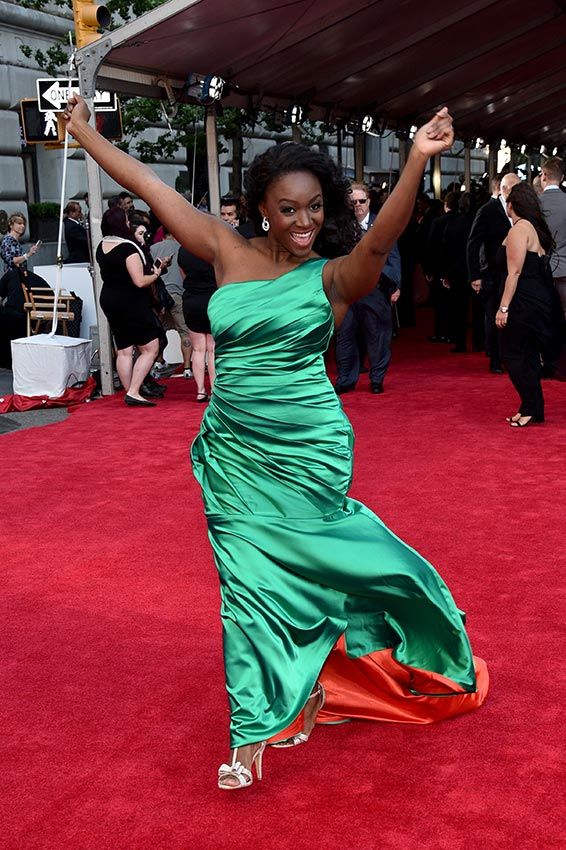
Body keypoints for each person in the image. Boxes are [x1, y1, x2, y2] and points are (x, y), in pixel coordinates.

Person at [64, 97, 488, 791]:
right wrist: (84, 135)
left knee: (319, 568)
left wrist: (414, 161)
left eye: (315, 208)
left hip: (306, 445)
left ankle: (322, 676)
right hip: (234, 445)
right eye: (289, 209)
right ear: (262, 206)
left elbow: (379, 243)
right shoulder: (224, 248)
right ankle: (256, 725)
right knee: (247, 583)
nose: (304, 221)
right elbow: (150, 185)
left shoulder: (331, 276)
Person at [495, 182, 563, 427]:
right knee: (528, 355)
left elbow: (514, 273)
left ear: (512, 205)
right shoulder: (531, 227)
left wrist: (503, 308)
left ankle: (530, 406)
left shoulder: (519, 229)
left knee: (511, 354)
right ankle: (532, 408)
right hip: (536, 300)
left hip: (522, 302)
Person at [95, 205, 165, 407]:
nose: (128, 222)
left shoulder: (102, 245)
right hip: (129, 300)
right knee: (151, 347)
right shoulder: (128, 248)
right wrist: (157, 273)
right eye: (126, 219)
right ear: (120, 223)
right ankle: (134, 391)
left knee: (124, 348)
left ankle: (129, 392)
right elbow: (140, 281)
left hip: (108, 298)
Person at [335, 181, 401, 394]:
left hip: (374, 290)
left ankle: (377, 379)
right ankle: (346, 379)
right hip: (346, 291)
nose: (357, 205)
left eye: (361, 201)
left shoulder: (381, 225)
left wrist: (395, 285)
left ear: (369, 201)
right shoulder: (341, 228)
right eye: (353, 202)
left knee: (377, 336)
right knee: (345, 335)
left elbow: (393, 256)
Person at [467, 173, 521, 373]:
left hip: (515, 272)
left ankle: (510, 356)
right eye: (515, 189)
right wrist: (475, 275)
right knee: (493, 317)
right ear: (504, 189)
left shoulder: (521, 210)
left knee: (513, 315)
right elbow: (473, 243)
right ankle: (495, 359)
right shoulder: (487, 210)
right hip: (492, 273)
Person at [151, 229, 193, 377]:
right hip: (177, 295)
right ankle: (187, 368)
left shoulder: (152, 249)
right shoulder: (183, 249)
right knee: (184, 332)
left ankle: (159, 362)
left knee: (157, 331)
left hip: (159, 297)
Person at [178, 247, 216, 401]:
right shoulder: (212, 248)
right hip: (213, 299)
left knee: (198, 350)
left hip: (192, 300)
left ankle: (200, 390)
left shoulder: (183, 250)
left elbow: (183, 275)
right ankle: (214, 389)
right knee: (213, 350)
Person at [540, 157, 566, 316]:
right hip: (565, 268)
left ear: (543, 175)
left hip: (540, 268)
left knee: (544, 314)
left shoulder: (535, 203)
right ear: (562, 178)